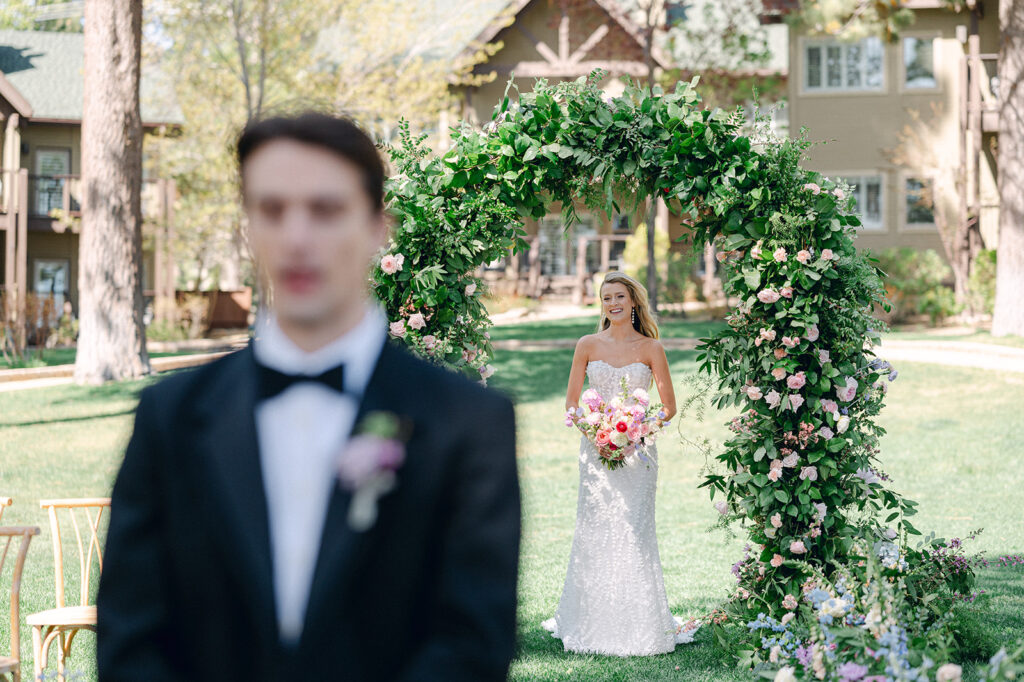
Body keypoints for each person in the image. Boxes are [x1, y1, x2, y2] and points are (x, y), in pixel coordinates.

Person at [97, 112, 521, 681]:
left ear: (378, 227)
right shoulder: (170, 417)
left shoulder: (468, 423)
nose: (296, 238)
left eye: (325, 210)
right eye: (272, 210)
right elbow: (129, 639)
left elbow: (473, 643)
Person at [542, 271, 696, 655]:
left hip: (638, 455)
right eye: (606, 297)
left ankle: (641, 625)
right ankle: (589, 621)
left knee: (634, 531)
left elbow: (669, 408)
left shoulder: (651, 348)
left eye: (619, 297)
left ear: (633, 303)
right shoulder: (587, 344)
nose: (612, 303)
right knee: (595, 530)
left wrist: (636, 433)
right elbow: (572, 406)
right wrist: (598, 434)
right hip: (595, 454)